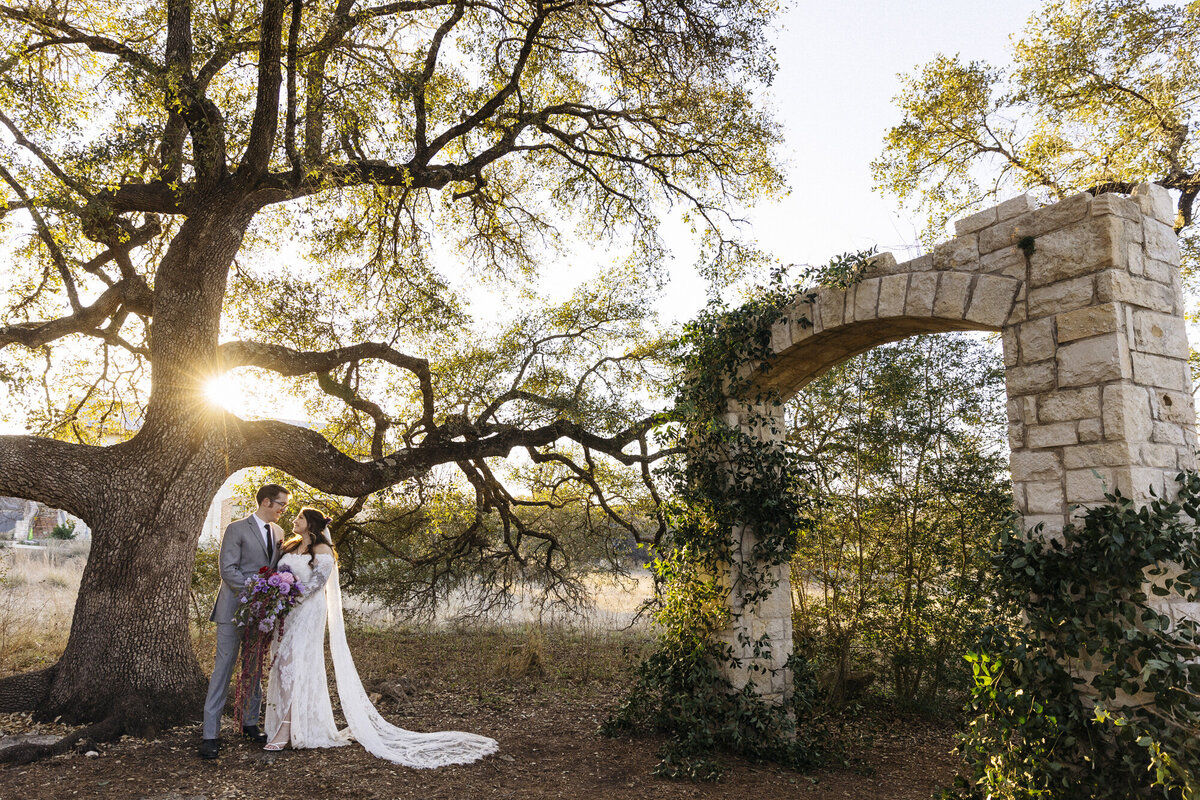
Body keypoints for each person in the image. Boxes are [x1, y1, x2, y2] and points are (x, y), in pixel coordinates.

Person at [263, 507, 498, 767]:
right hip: (285, 614)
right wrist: (274, 593)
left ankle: (287, 730)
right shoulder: (289, 546)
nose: (294, 520)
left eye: (300, 518)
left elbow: (314, 586)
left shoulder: (322, 551)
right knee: (281, 666)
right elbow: (275, 574)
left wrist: (287, 593)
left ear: (311, 525)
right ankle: (282, 723)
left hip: (306, 613)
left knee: (295, 668)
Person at [199, 484, 289, 760]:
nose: (283, 510)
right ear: (265, 502)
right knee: (223, 671)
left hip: (260, 616)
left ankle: (250, 723)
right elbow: (228, 570)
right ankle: (210, 735)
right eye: (280, 505)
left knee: (253, 669)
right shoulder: (235, 529)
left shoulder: (279, 533)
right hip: (232, 611)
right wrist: (258, 593)